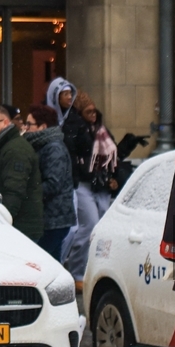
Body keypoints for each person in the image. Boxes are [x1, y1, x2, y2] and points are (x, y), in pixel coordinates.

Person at [62, 92, 117, 289]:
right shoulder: (75, 129)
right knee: (89, 225)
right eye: (88, 111)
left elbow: (113, 155)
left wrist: (113, 177)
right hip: (84, 183)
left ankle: (94, 269)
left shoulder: (100, 129)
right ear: (80, 112)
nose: (93, 114)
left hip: (101, 182)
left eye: (94, 111)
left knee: (102, 226)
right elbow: (77, 154)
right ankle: (78, 272)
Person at [0, 105, 45, 242]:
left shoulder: (15, 150)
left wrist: (2, 222)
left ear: (5, 122)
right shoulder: (2, 146)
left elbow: (14, 191)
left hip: (19, 228)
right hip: (14, 226)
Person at [23, 105, 77, 260]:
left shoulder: (53, 148)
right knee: (51, 262)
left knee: (41, 261)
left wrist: (28, 195)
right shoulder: (42, 145)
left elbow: (53, 184)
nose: (26, 128)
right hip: (50, 218)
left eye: (29, 124)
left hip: (55, 220)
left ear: (43, 126)